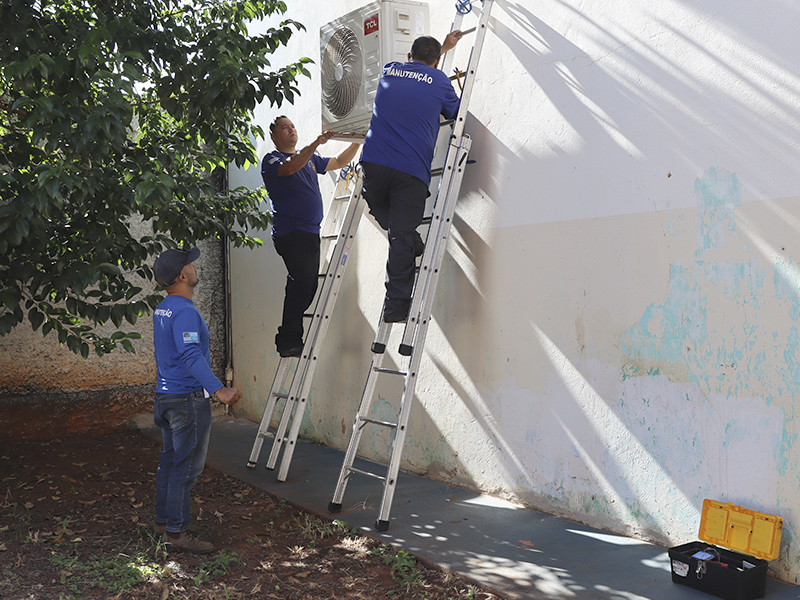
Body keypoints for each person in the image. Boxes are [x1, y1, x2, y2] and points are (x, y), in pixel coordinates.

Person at [360, 31, 464, 323]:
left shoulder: (389, 70)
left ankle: (410, 241)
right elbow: (455, 111)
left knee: (385, 216)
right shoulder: (441, 82)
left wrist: (441, 50)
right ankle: (395, 306)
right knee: (402, 237)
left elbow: (419, 74)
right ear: (437, 60)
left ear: (409, 56)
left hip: (374, 165)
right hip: (410, 171)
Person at [152, 247, 243, 554]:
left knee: (169, 462)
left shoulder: (163, 308)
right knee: (185, 469)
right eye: (189, 264)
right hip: (186, 401)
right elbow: (191, 354)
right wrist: (221, 391)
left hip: (165, 397)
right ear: (182, 275)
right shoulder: (186, 312)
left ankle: (163, 521)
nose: (193, 267)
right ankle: (176, 535)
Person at [261, 116, 360, 357]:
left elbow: (337, 161)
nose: (291, 129)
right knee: (301, 284)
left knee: (309, 285)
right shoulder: (272, 159)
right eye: (284, 127)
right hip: (291, 232)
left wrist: (358, 140)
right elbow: (290, 167)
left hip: (309, 232)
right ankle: (288, 340)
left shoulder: (310, 160)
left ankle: (290, 335)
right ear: (274, 137)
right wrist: (316, 143)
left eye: (293, 126)